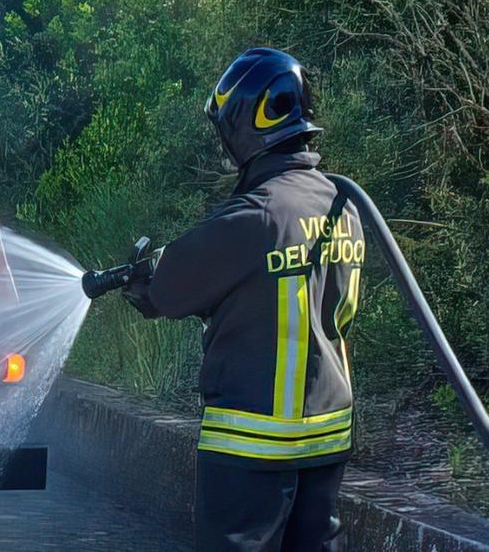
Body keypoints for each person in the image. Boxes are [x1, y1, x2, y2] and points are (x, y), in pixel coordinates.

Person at [124, 48, 364, 551]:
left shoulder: (257, 214)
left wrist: (143, 281)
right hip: (326, 439)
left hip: (252, 446)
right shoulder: (343, 206)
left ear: (243, 125)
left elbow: (165, 291)